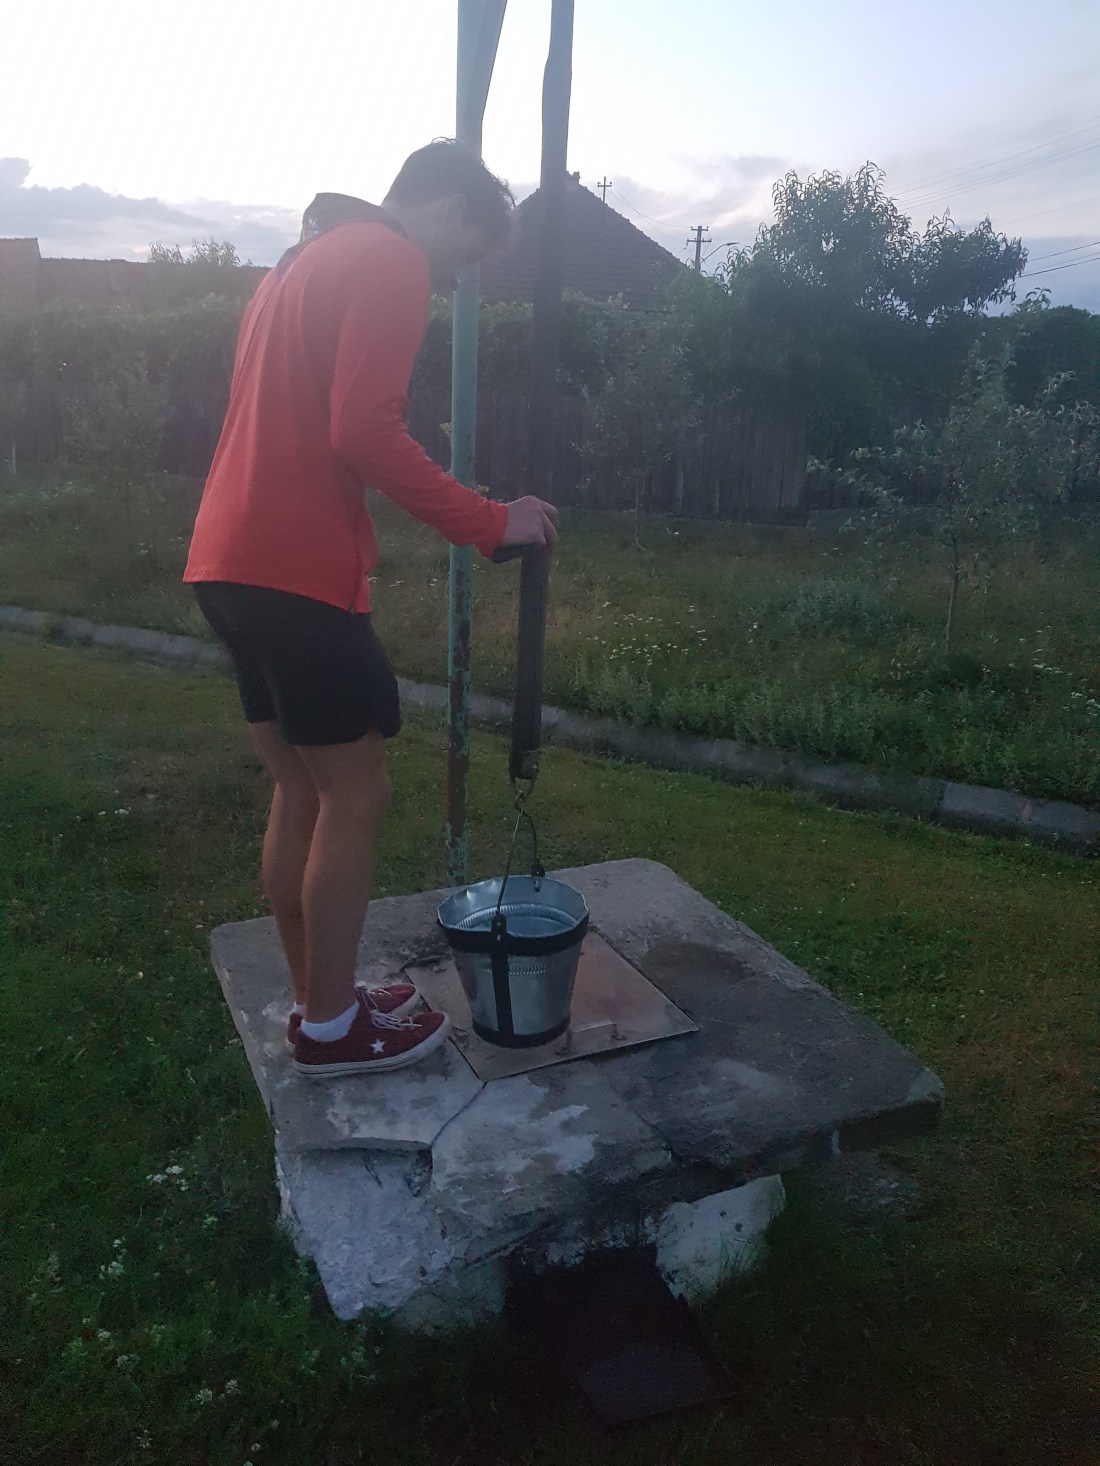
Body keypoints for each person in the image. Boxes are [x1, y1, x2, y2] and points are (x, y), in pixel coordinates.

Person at [184, 140, 557, 1078]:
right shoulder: (390, 257)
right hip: (294, 571)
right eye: (467, 255)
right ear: (452, 210)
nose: (453, 277)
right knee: (357, 793)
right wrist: (490, 522)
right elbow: (362, 430)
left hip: (225, 560)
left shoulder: (294, 265)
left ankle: (322, 1001)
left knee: (303, 788)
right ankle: (331, 1031)